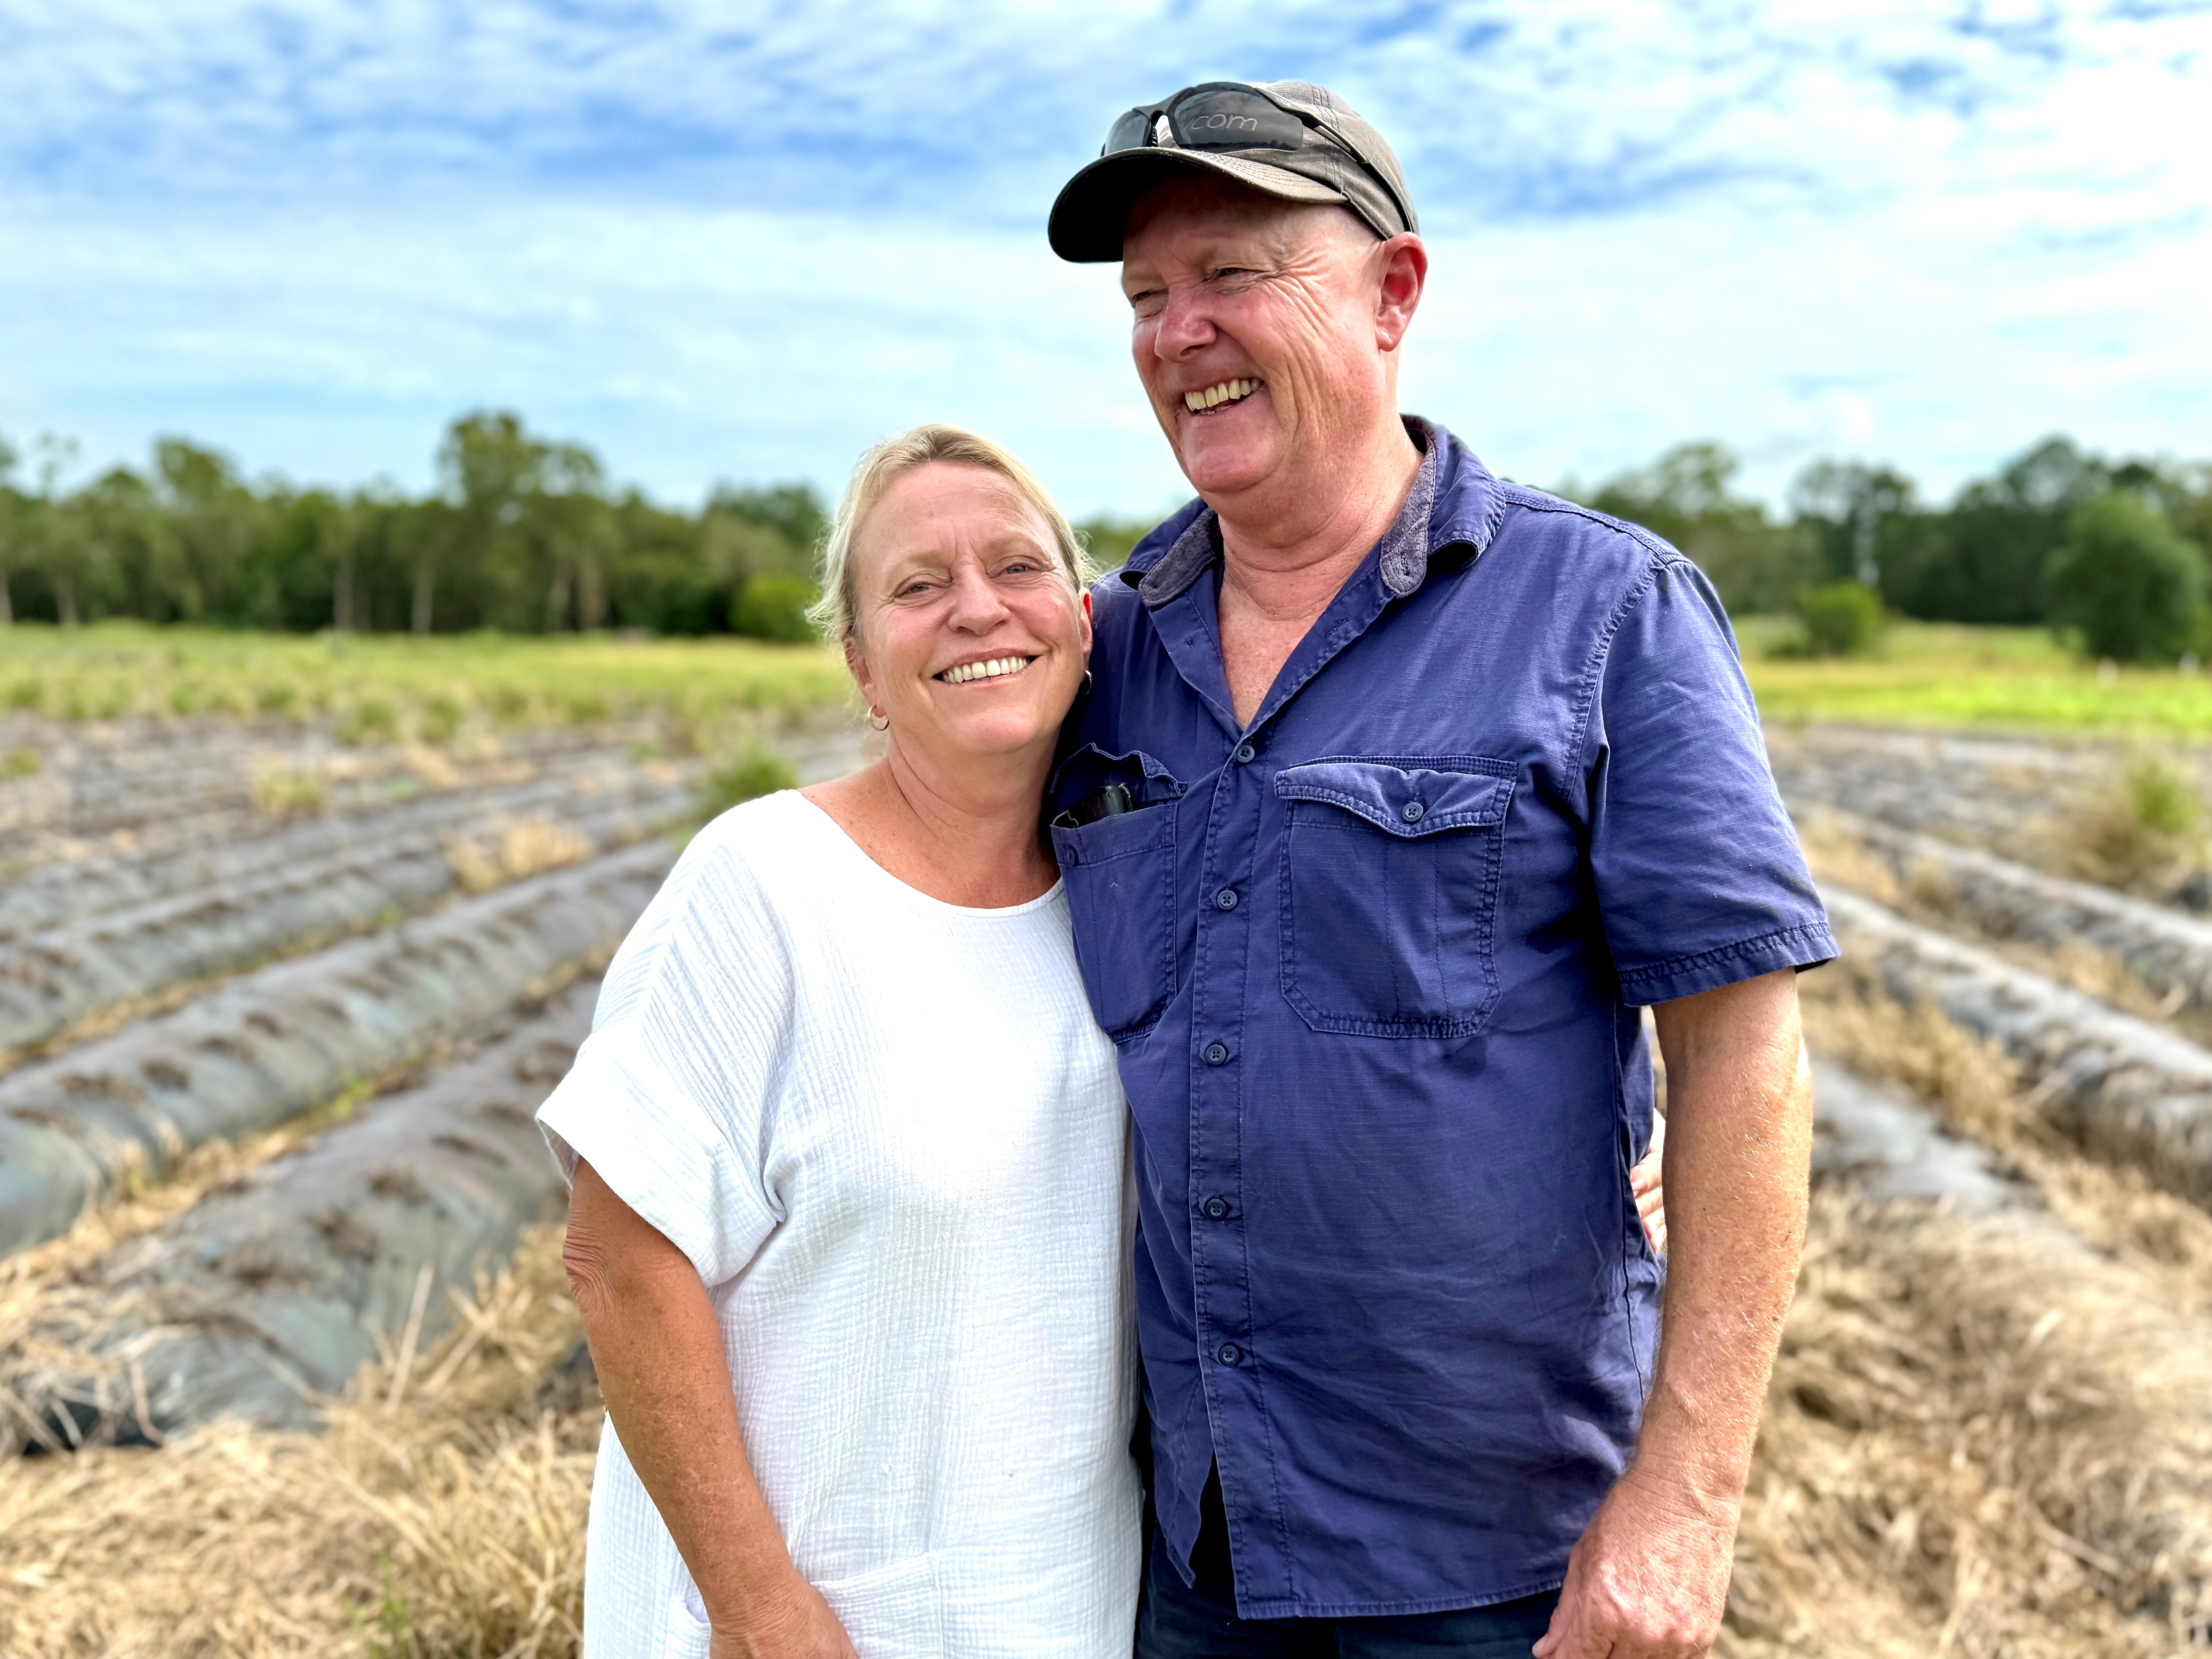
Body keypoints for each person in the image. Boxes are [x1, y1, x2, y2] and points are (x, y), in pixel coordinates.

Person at [1042, 79, 1833, 1657]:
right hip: (1193, 1538)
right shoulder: (1104, 647)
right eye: (1146, 298)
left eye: (1232, 276)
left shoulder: (1607, 613)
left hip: (1499, 1550)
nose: (1175, 333)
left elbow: (1744, 1056)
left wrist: (1686, 1502)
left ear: (1394, 292)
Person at [539, 426, 1139, 1659]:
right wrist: (756, 1603)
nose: (978, 609)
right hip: (801, 1622)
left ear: (1083, 624)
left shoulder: (1126, 899)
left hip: (1056, 1606)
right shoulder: (762, 886)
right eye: (919, 586)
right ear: (864, 666)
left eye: (1017, 568)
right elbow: (618, 1258)